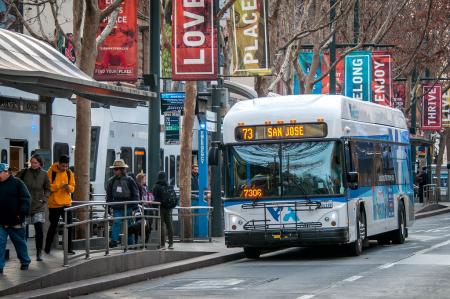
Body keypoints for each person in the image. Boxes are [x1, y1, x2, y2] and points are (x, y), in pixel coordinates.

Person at [16, 154, 51, 261]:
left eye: (35, 162)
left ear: (40, 163)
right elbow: (15, 183)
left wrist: (44, 199)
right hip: (25, 206)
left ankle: (39, 252)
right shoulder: (24, 172)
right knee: (23, 231)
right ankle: (23, 253)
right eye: (32, 162)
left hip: (38, 206)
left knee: (39, 229)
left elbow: (48, 189)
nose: (33, 164)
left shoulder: (44, 174)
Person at [0, 163, 32, 273]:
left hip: (16, 220)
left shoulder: (18, 183)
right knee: (0, 243)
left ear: (7, 172)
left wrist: (22, 212)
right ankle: (0, 266)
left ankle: (25, 261)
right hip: (1, 221)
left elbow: (26, 198)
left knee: (19, 243)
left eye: (0, 173)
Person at [44, 155, 75, 255]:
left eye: (66, 166)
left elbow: (73, 187)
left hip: (66, 203)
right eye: (63, 166)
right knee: (53, 226)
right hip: (54, 204)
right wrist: (58, 186)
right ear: (59, 164)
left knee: (70, 226)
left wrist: (68, 187)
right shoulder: (51, 171)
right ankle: (47, 248)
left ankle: (69, 248)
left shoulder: (69, 172)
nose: (65, 168)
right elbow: (48, 186)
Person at [106, 159, 139, 247]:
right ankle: (114, 241)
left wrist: (135, 207)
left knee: (129, 225)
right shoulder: (111, 181)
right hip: (117, 206)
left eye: (116, 169)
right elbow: (108, 195)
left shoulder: (129, 180)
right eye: (114, 169)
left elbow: (135, 194)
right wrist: (108, 207)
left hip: (128, 206)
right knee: (117, 222)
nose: (114, 171)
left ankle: (130, 243)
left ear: (121, 170)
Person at [153, 171, 174, 249]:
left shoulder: (156, 186)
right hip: (168, 208)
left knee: (161, 225)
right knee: (169, 225)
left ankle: (162, 244)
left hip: (160, 208)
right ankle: (171, 243)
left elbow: (154, 197)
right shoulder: (168, 185)